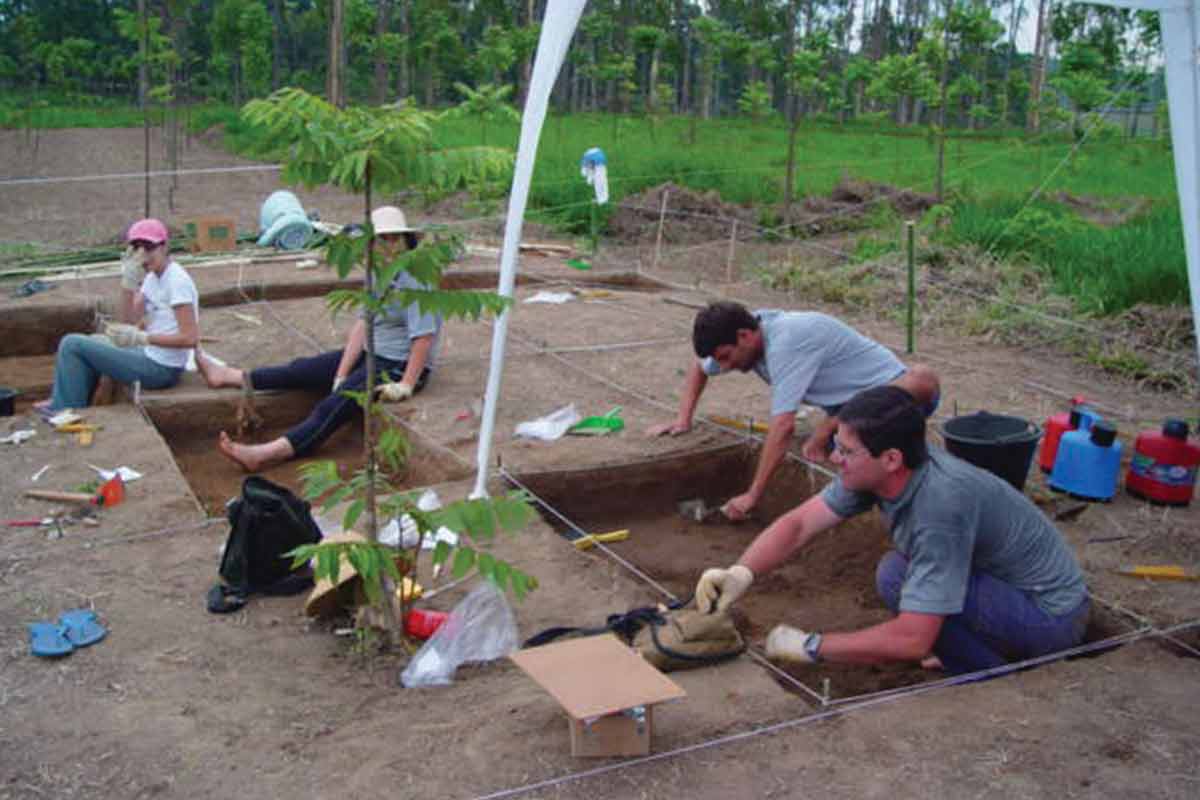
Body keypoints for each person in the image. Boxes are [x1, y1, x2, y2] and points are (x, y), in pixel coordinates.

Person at [694, 385, 1089, 676]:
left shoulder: (940, 508)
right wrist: (740, 573)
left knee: (904, 585)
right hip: (1006, 589)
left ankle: (990, 676)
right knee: (896, 574)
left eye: (845, 451)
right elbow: (798, 524)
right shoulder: (885, 471)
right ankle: (965, 654)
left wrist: (811, 646)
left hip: (1049, 617)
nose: (834, 458)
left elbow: (911, 639)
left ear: (891, 459)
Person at [198, 205, 441, 472]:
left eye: (394, 238)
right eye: (381, 239)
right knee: (302, 369)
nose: (388, 246)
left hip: (397, 364)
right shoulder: (377, 272)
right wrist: (341, 372)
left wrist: (406, 383)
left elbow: (424, 337)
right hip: (372, 353)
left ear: (406, 241)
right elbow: (363, 324)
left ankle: (266, 453)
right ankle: (232, 376)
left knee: (334, 406)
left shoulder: (417, 279)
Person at [648, 302, 940, 520]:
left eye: (726, 357)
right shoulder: (751, 330)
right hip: (846, 405)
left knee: (853, 455)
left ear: (744, 336)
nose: (724, 367)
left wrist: (753, 494)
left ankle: (837, 435)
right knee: (830, 443)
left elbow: (783, 426)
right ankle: (833, 427)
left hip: (894, 396)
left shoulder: (787, 342)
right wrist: (682, 419)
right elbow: (700, 367)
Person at [36, 218, 199, 413]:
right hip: (151, 355)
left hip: (162, 369)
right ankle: (69, 401)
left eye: (149, 247)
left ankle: (64, 409)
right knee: (93, 341)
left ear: (164, 247)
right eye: (137, 249)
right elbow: (128, 320)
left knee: (72, 344)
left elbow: (190, 338)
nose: (144, 255)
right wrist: (127, 283)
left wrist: (144, 337)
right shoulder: (153, 278)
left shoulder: (176, 281)